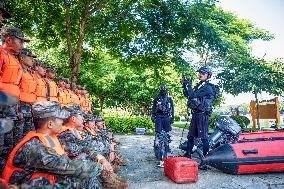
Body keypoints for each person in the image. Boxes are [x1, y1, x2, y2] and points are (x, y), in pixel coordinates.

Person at [1, 101, 111, 188]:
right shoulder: (34, 148)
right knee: (82, 176)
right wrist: (101, 167)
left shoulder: (49, 137)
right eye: (60, 119)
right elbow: (70, 167)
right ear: (50, 124)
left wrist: (99, 158)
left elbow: (80, 150)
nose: (63, 122)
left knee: (83, 173)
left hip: (42, 182)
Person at [0, 27, 30, 171]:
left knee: (9, 142)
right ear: (8, 39)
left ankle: (5, 172)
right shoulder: (1, 54)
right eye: (20, 42)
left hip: (12, 105)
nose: (22, 46)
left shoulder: (14, 58)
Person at [181, 66, 216, 170]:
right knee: (191, 136)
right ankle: (188, 154)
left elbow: (192, 95)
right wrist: (184, 86)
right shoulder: (200, 85)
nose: (200, 74)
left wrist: (190, 85)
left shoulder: (207, 87)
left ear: (208, 75)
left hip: (202, 115)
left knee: (204, 138)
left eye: (203, 73)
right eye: (200, 72)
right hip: (196, 114)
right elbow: (188, 95)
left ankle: (206, 161)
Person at [151, 84, 174, 167]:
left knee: (167, 137)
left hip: (167, 118)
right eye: (161, 89)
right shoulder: (157, 98)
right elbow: (153, 108)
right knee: (159, 136)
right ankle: (160, 156)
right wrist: (153, 116)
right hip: (159, 118)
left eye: (164, 89)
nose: (163, 90)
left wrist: (172, 118)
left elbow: (172, 109)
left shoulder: (169, 99)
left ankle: (166, 152)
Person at [18, 48, 37, 137]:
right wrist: (17, 109)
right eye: (29, 57)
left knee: (28, 135)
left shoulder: (30, 74)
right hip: (20, 107)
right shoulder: (18, 70)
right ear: (22, 58)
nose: (32, 60)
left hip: (30, 107)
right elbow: (15, 89)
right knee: (18, 137)